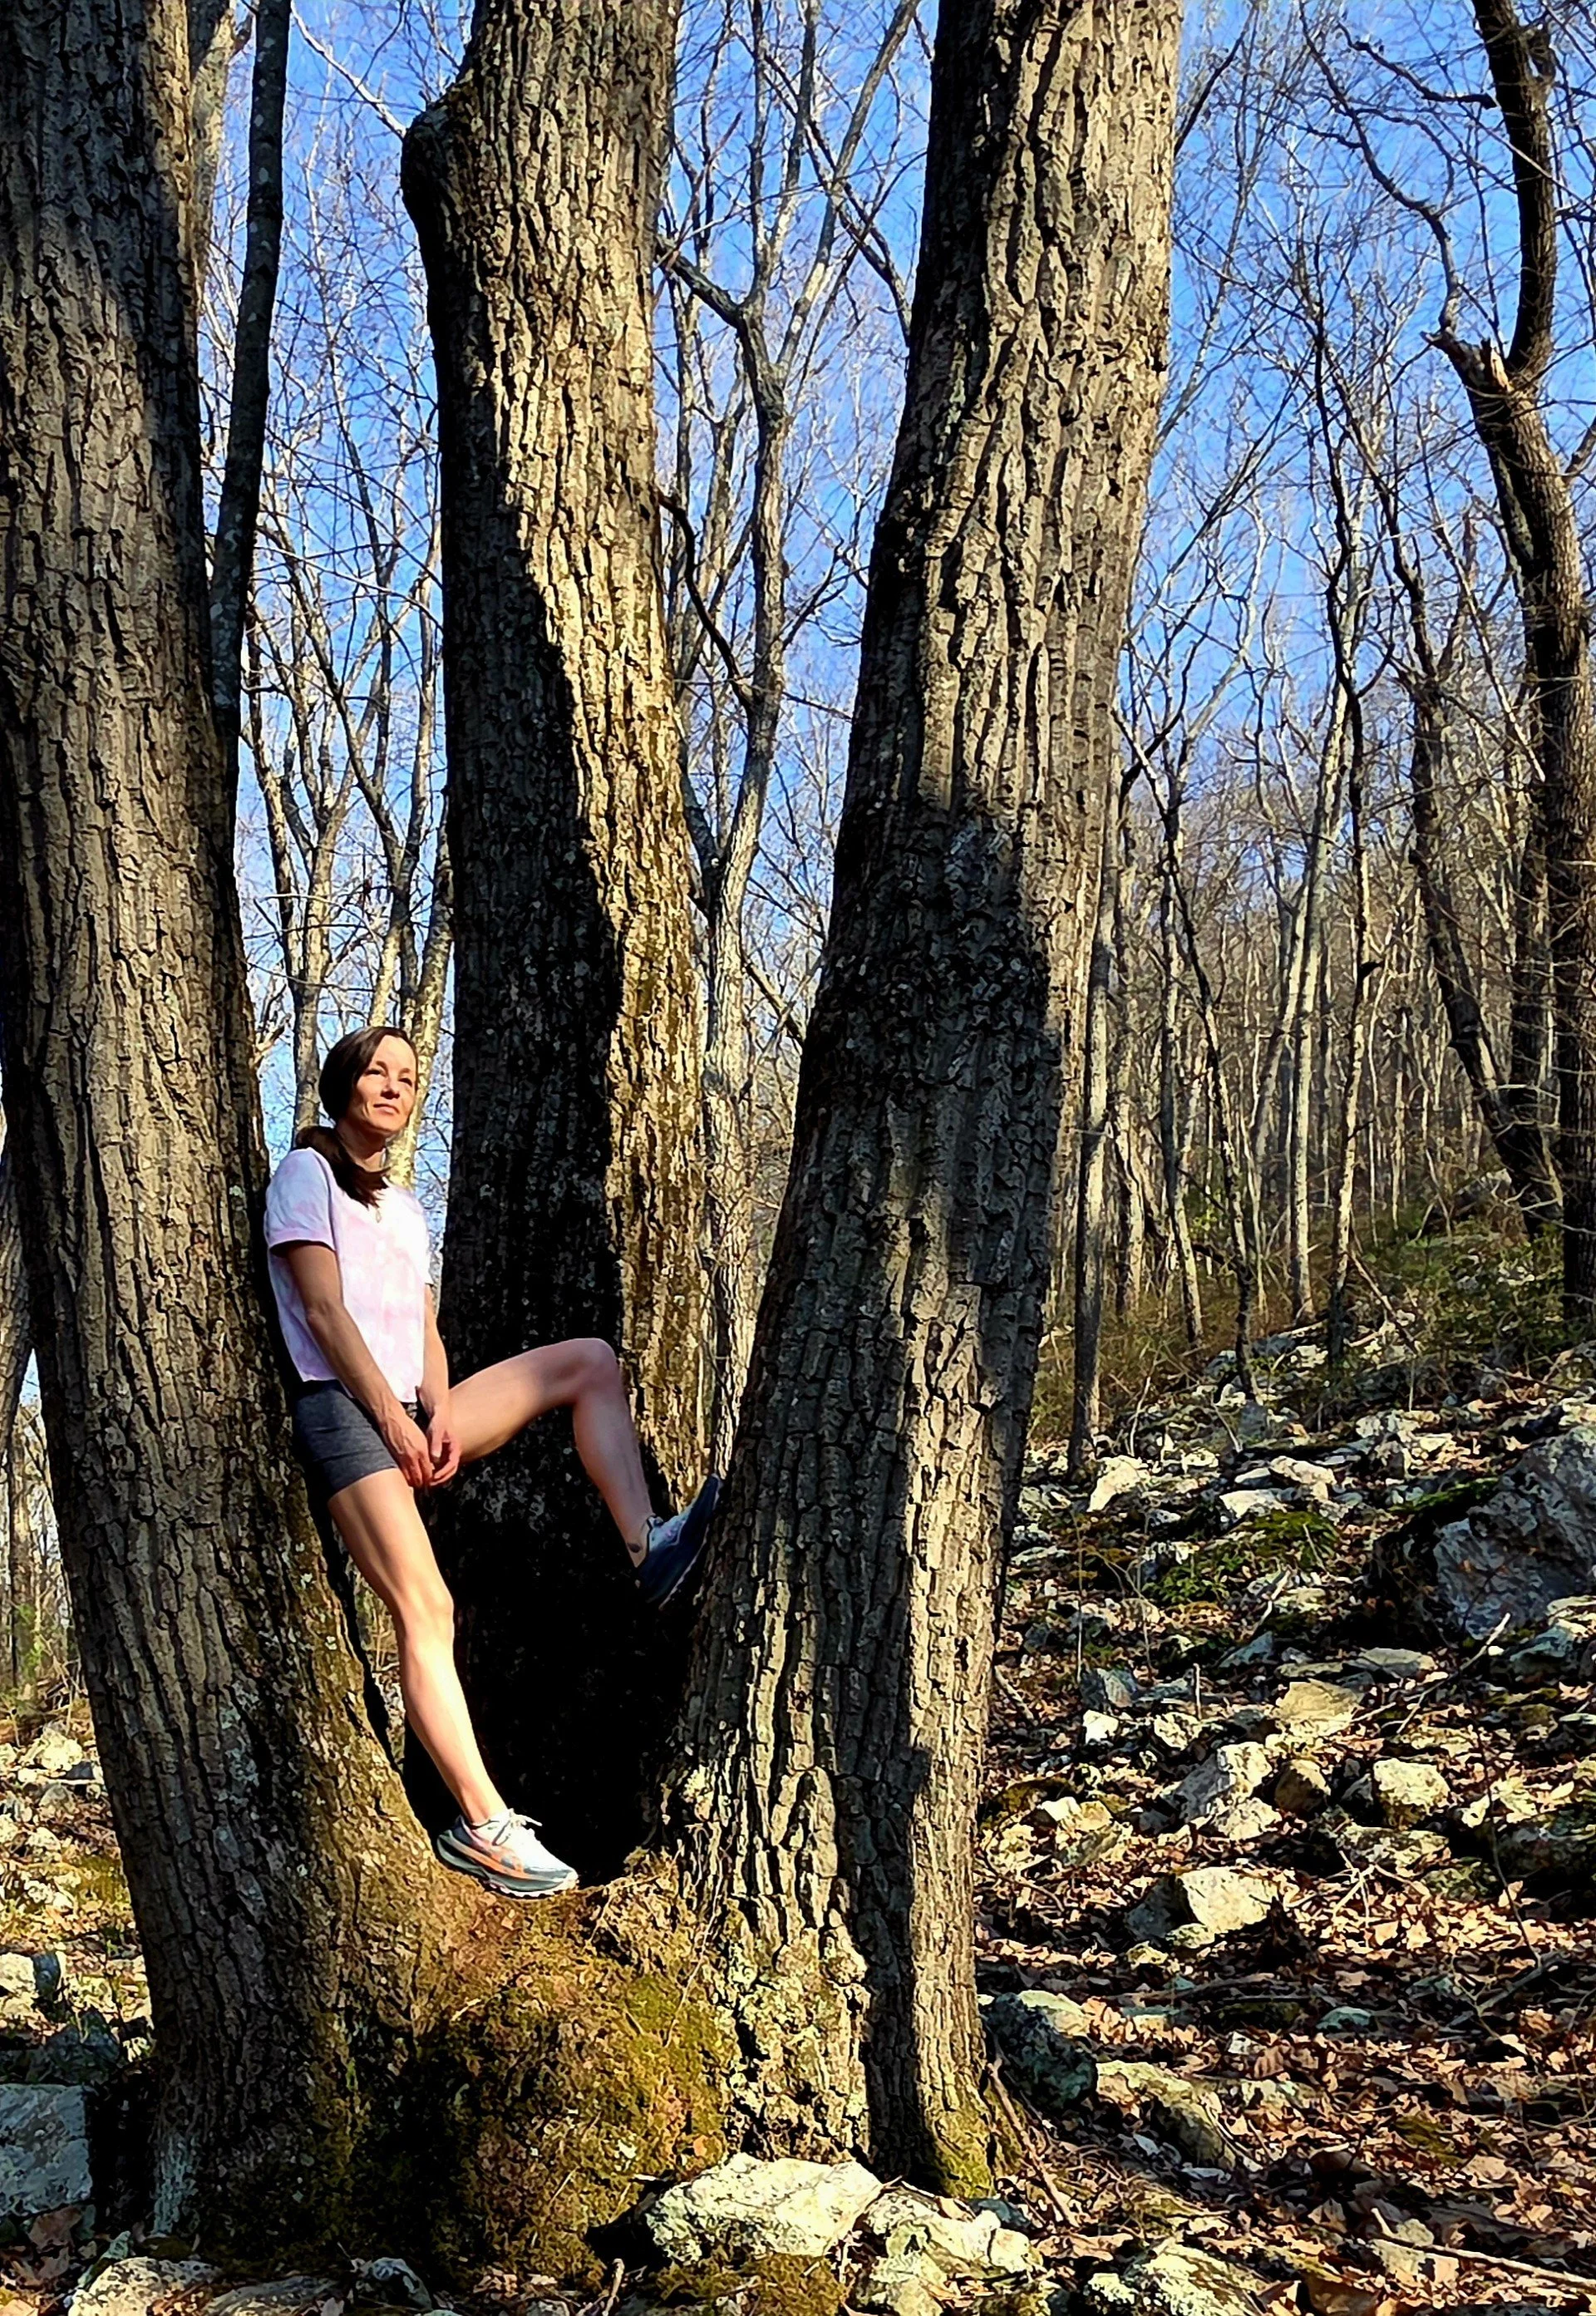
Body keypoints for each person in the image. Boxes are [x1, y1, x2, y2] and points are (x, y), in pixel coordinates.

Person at [263, 1023, 717, 1901]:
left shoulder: (403, 1208)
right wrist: (391, 1421)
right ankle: (483, 1823)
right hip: (343, 1411)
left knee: (589, 1360)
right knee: (427, 1604)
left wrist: (434, 1411)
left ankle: (650, 1548)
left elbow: (424, 1330)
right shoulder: (303, 1176)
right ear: (342, 1084)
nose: (393, 1087)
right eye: (376, 1073)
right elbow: (322, 1314)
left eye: (406, 1076)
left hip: (408, 1407)